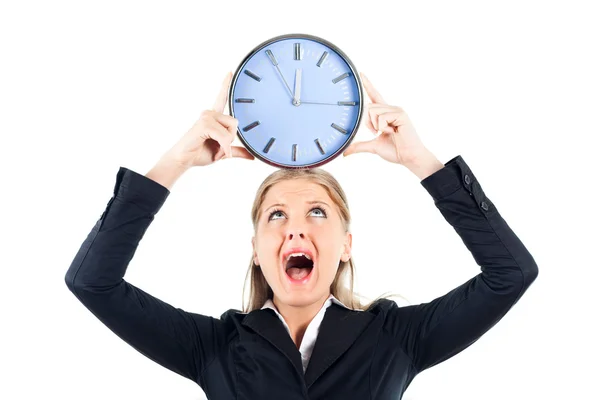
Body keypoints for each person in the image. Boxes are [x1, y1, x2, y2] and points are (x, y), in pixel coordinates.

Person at [65, 71, 539, 399]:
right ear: (256, 252)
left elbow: (511, 274)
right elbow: (92, 282)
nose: (295, 227)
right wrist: (176, 161)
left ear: (346, 244)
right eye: (275, 216)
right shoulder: (213, 346)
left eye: (317, 212)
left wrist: (421, 161)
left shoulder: (395, 338)